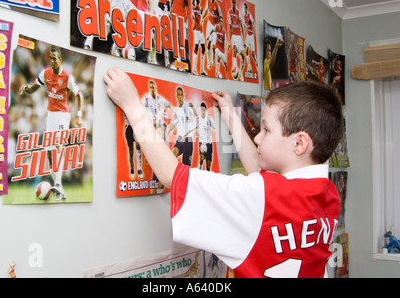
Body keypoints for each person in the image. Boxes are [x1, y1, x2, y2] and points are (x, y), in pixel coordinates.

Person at [103, 67, 343, 278]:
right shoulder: (328, 195)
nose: (258, 137)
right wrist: (229, 115)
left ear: (300, 144)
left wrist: (132, 105)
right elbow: (261, 177)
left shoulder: (262, 196)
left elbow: (171, 174)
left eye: (267, 130)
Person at [20, 46, 83, 201]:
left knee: (58, 146)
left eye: (55, 58)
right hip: (51, 116)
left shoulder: (67, 77)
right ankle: (59, 187)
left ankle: (57, 183)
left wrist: (79, 116)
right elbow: (33, 87)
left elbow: (79, 95)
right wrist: (26, 89)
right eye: (51, 58)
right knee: (49, 152)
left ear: (60, 60)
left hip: (63, 115)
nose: (52, 61)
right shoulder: (45, 73)